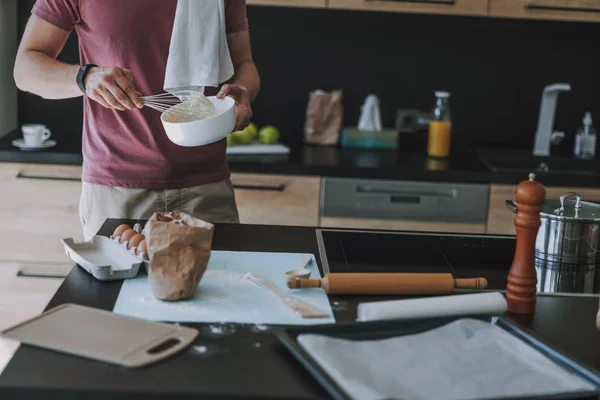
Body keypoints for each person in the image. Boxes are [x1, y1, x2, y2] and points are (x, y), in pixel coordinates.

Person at [13, 0, 260, 240]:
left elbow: (244, 64)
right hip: (117, 191)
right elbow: (26, 70)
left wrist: (243, 92)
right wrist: (85, 78)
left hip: (207, 186)